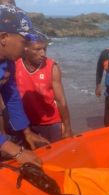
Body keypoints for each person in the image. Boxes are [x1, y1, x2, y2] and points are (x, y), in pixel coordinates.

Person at [0, 4, 44, 166]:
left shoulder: (8, 63)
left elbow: (11, 97)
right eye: (23, 41)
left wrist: (26, 132)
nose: (26, 48)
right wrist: (15, 151)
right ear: (3, 37)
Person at [15, 31, 72, 143]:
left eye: (44, 49)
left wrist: (67, 128)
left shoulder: (52, 68)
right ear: (25, 49)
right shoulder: (15, 65)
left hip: (51, 122)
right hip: (26, 123)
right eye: (37, 49)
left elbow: (61, 101)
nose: (43, 54)